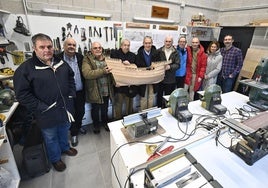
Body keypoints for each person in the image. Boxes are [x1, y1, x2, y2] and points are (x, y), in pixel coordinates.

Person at [13, 33, 77, 172]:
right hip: (46, 114)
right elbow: (22, 94)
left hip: (64, 108)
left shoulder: (60, 62)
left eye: (49, 46)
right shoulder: (26, 69)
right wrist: (41, 106)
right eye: (42, 47)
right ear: (34, 49)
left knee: (64, 131)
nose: (46, 50)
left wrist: (71, 94)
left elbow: (70, 77)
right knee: (50, 138)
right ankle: (55, 159)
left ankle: (65, 148)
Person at [59, 38, 86, 147]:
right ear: (64, 46)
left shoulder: (80, 57)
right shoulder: (58, 58)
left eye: (74, 45)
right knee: (71, 114)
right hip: (66, 93)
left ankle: (78, 126)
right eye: (69, 44)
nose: (71, 47)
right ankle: (74, 133)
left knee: (81, 111)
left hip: (80, 91)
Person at [82, 42, 114, 134]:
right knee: (95, 110)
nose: (98, 49)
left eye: (99, 48)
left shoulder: (107, 58)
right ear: (91, 50)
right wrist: (103, 71)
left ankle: (105, 123)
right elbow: (87, 74)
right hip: (95, 90)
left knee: (105, 109)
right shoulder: (87, 59)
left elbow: (113, 71)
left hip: (106, 90)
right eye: (95, 48)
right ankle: (96, 125)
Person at [110, 39, 137, 120]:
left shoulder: (132, 55)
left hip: (129, 84)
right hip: (119, 84)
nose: (127, 47)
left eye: (128, 45)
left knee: (129, 105)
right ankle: (117, 121)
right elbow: (112, 68)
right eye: (125, 45)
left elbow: (135, 68)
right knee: (118, 104)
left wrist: (130, 65)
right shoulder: (114, 54)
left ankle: (130, 120)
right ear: (121, 46)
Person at [135, 36, 160, 110]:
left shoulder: (156, 53)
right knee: (143, 98)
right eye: (146, 43)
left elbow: (158, 64)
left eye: (149, 43)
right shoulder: (139, 54)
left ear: (152, 43)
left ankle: (149, 114)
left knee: (151, 97)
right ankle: (143, 114)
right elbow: (137, 67)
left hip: (152, 80)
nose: (148, 45)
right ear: (143, 44)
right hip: (143, 80)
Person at [157, 35, 180, 108]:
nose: (168, 43)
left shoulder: (176, 52)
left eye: (170, 41)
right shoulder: (159, 51)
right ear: (164, 42)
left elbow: (178, 65)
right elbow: (155, 62)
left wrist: (170, 67)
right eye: (166, 41)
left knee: (168, 98)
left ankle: (167, 112)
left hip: (170, 79)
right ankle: (159, 110)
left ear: (172, 42)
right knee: (159, 97)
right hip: (160, 78)